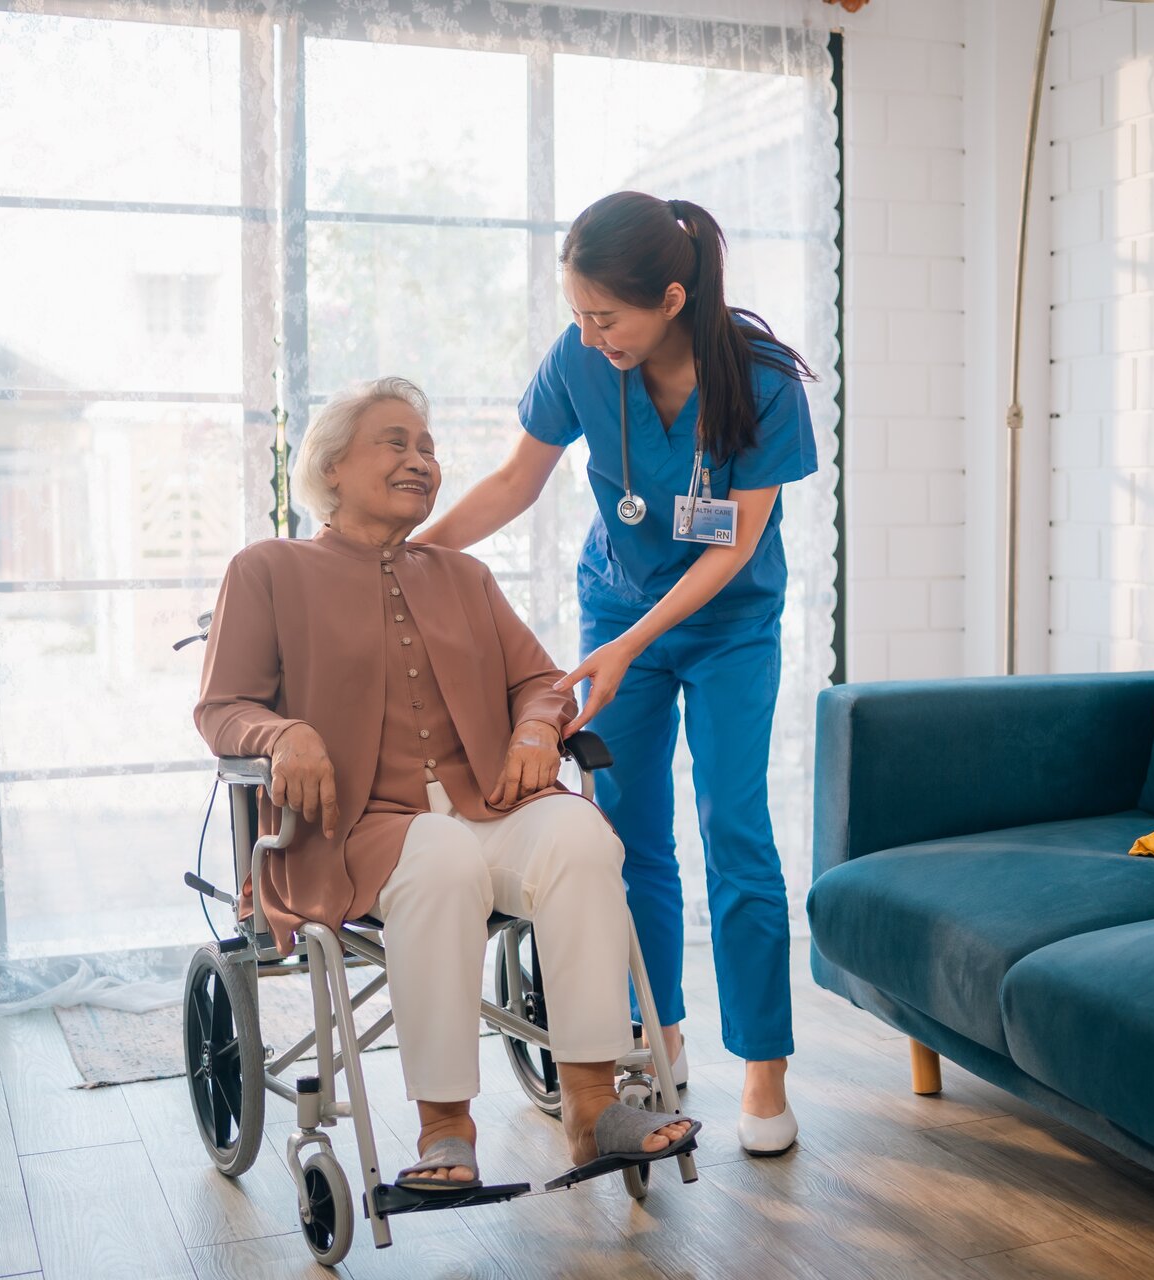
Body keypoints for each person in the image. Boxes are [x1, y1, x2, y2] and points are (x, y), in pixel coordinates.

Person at [195, 376, 697, 1192]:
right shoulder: (268, 570)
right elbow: (223, 708)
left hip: (487, 808)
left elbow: (540, 679)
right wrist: (283, 733)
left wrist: (539, 727)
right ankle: (445, 1129)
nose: (421, 460)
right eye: (395, 443)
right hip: (357, 832)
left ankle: (593, 1106)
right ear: (329, 467)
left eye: (427, 448)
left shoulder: (464, 578)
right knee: (440, 858)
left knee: (580, 835)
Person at [417, 192, 817, 1156]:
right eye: (579, 315)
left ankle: (764, 1070)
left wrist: (633, 642)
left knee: (734, 825)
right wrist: (415, 552)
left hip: (728, 626)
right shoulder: (581, 360)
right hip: (616, 606)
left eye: (607, 317)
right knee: (628, 832)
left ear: (672, 298)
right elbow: (519, 480)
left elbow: (736, 547)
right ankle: (658, 1039)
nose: (590, 335)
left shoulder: (759, 381)